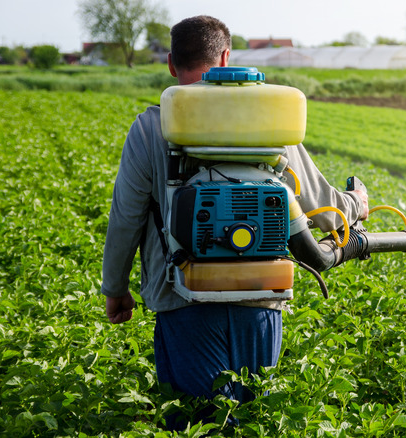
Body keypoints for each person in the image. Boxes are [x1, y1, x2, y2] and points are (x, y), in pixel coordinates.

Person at [100, 15, 368, 428]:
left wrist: (115, 288)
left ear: (172, 64)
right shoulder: (266, 116)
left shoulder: (151, 127)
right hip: (260, 298)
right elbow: (320, 207)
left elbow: (125, 219)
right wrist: (356, 202)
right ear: (226, 57)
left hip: (183, 298)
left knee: (196, 423)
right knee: (256, 418)